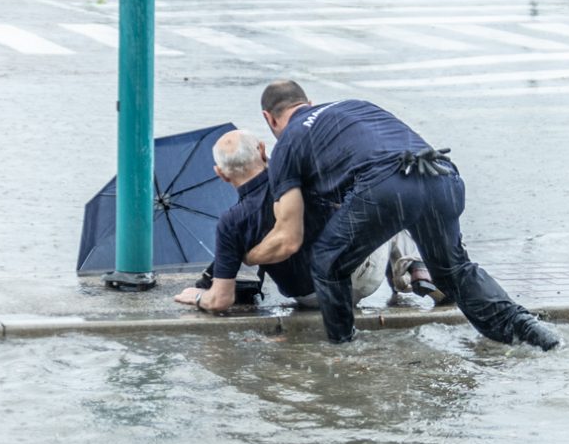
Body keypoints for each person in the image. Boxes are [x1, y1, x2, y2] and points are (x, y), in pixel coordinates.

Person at [246, 81, 561, 350]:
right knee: (454, 271)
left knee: (328, 261)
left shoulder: (289, 141)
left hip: (388, 186)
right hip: (440, 174)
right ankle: (529, 332)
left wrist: (247, 253)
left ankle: (344, 346)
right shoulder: (354, 105)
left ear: (268, 118)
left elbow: (289, 236)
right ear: (308, 102)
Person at [173, 129, 439, 312]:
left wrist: (198, 296)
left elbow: (220, 299)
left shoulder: (231, 223)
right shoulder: (298, 176)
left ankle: (409, 272)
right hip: (358, 276)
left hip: (312, 299)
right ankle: (413, 272)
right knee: (386, 203)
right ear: (263, 150)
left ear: (220, 174)